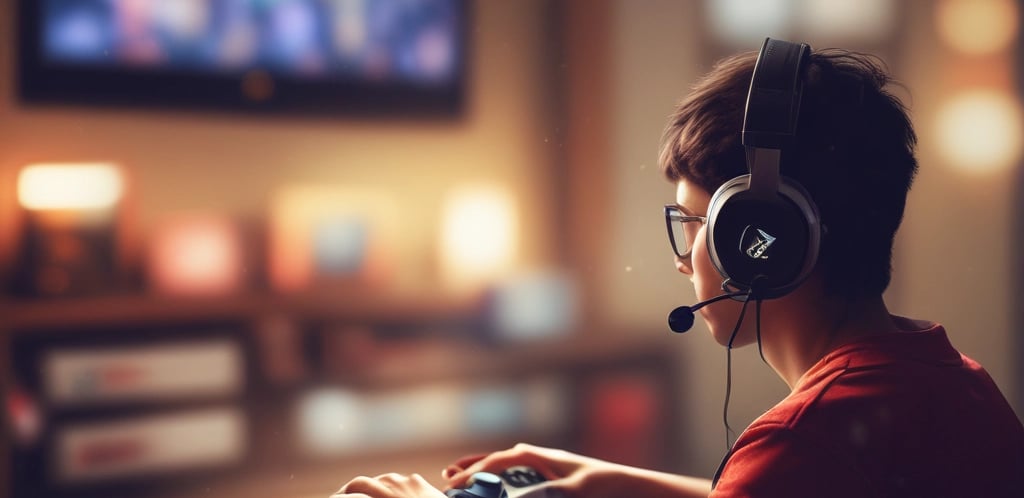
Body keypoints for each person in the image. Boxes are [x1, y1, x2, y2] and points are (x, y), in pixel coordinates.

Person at [330, 39, 1024, 498]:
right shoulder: (953, 381)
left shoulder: (805, 438)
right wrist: (612, 481)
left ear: (760, 238)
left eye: (695, 224)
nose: (683, 256)